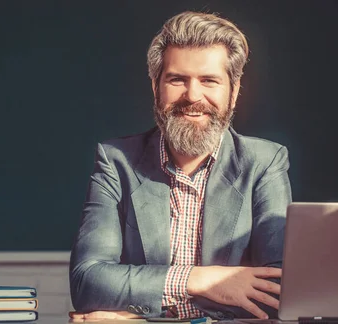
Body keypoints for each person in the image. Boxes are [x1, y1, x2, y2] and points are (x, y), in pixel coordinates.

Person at [69, 11, 292, 321]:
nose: (193, 96)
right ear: (155, 85)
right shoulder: (116, 161)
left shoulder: (265, 163)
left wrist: (139, 315)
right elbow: (87, 282)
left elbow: (279, 290)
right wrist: (201, 279)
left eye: (209, 81)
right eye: (177, 79)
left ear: (234, 89)